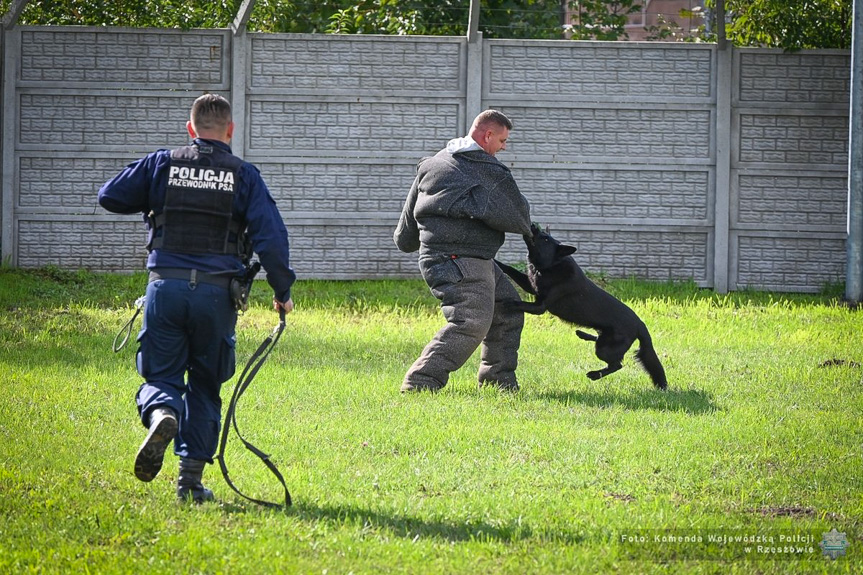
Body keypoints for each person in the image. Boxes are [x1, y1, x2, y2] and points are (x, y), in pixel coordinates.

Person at [98, 93, 296, 503]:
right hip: (216, 294)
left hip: (165, 287)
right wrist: (282, 291)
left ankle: (162, 414)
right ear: (230, 129)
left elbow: (111, 195)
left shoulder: (162, 163)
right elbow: (271, 238)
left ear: (191, 129)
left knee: (162, 377)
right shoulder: (244, 175)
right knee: (205, 385)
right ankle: (189, 483)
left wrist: (158, 191)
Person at [394, 109, 532, 393]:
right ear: (487, 135)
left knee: (508, 310)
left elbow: (407, 228)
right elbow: (519, 216)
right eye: (502, 141)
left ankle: (498, 380)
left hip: (448, 258)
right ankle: (420, 381)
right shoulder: (487, 170)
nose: (504, 148)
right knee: (470, 321)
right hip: (462, 261)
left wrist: (409, 243)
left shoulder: (433, 164)